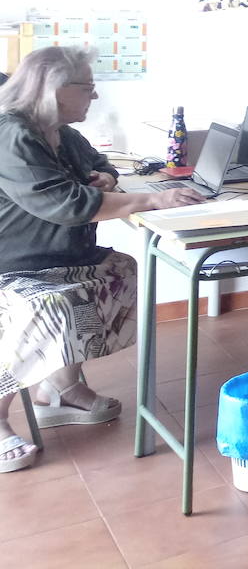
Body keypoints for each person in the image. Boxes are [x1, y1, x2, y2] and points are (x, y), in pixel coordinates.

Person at [0, 47, 204, 473]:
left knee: (120, 271)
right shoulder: (13, 134)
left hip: (61, 255)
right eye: (88, 88)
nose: (94, 97)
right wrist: (152, 198)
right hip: (15, 264)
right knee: (50, 305)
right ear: (55, 89)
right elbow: (66, 203)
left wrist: (108, 176)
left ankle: (59, 390)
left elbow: (98, 163)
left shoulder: (59, 129)